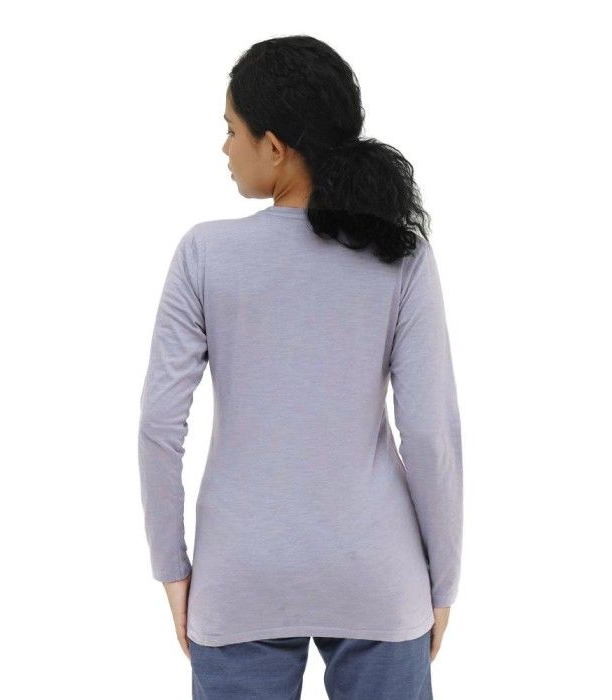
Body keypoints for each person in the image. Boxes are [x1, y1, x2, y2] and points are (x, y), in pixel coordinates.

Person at [138, 35, 463, 700]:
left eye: (232, 130)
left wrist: (172, 569)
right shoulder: (401, 254)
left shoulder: (204, 254)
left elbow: (159, 426)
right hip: (376, 571)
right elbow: (430, 435)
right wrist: (443, 582)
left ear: (275, 146)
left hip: (241, 573)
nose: (225, 148)